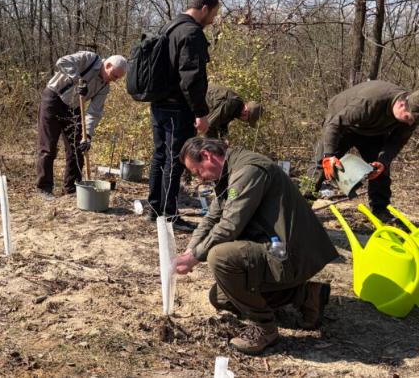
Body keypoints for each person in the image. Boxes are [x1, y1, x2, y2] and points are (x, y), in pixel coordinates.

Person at [174, 137, 338, 354]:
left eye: (198, 172)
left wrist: (195, 257)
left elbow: (229, 226)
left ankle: (264, 328)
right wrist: (189, 250)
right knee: (222, 298)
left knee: (220, 257)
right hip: (276, 248)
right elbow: (212, 217)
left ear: (207, 155)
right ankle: (306, 295)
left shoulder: (248, 171)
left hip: (289, 253)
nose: (200, 178)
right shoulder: (230, 173)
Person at [146, 0, 219, 230]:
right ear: (205, 8)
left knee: (160, 156)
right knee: (175, 160)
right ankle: (168, 215)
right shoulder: (191, 33)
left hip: (158, 104)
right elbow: (191, 78)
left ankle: (155, 208)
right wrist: (201, 112)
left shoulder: (169, 27)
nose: (213, 21)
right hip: (178, 108)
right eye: (214, 14)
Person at [310, 80, 418, 221]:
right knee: (321, 165)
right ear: (401, 104)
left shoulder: (412, 116)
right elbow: (335, 124)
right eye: (408, 118)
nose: (410, 123)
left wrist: (383, 162)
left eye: (414, 121)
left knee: (380, 169)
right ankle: (303, 202)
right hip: (343, 125)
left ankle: (381, 211)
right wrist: (329, 155)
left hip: (372, 132)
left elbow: (396, 142)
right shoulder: (370, 100)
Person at [35, 52, 128, 200]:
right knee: (48, 148)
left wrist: (88, 136)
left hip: (74, 108)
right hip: (53, 99)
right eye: (115, 76)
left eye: (118, 78)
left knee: (78, 148)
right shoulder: (89, 58)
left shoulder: (104, 87)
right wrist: (79, 81)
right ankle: (44, 188)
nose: (115, 80)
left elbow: (94, 113)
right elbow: (62, 61)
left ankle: (71, 188)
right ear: (108, 65)